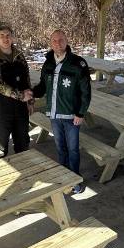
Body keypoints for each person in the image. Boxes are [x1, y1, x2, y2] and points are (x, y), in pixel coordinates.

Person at [33, 30, 91, 194]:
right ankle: (63, 177)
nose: (58, 43)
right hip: (54, 115)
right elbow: (43, 86)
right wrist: (31, 93)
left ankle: (75, 180)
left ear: (67, 41)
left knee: (73, 149)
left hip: (71, 116)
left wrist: (81, 113)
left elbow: (86, 91)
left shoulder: (78, 63)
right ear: (50, 43)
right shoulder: (48, 63)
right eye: (54, 40)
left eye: (61, 40)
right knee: (60, 148)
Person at [0, 23, 33, 157]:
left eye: (8, 35)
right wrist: (19, 95)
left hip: (20, 107)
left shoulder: (20, 56)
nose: (6, 39)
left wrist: (30, 102)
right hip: (0, 108)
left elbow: (26, 79)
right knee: (0, 148)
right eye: (2, 36)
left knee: (22, 144)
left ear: (12, 38)